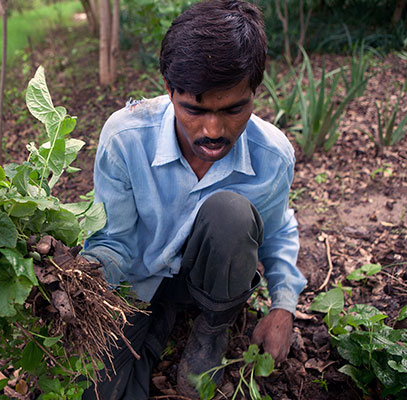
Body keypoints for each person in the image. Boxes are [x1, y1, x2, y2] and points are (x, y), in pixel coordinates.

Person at [81, 1, 307, 398]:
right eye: (194, 110)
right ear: (169, 90)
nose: (214, 130)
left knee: (232, 214)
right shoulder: (125, 138)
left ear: (256, 91)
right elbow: (113, 241)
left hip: (212, 283)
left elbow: (275, 230)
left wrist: (282, 305)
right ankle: (154, 326)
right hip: (136, 281)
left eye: (234, 109)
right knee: (105, 393)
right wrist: (84, 276)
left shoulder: (272, 156)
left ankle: (212, 330)